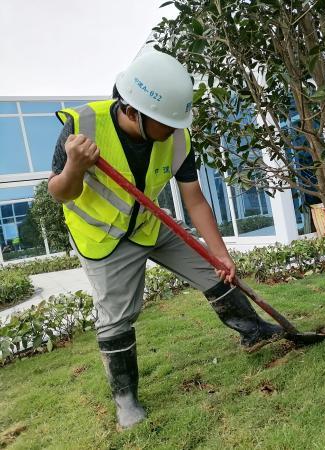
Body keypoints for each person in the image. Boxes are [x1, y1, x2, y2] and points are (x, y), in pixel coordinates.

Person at [47, 50, 282, 428]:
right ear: (133, 110)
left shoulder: (176, 139)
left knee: (211, 270)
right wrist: (75, 165)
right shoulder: (82, 126)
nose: (173, 129)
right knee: (117, 317)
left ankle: (253, 332)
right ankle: (126, 400)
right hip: (102, 239)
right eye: (165, 122)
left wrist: (220, 254)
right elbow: (59, 192)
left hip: (148, 224)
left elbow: (195, 198)